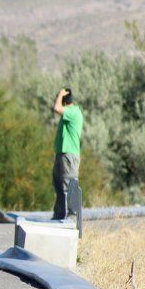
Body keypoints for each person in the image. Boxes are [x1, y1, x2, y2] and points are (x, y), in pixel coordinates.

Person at [51, 88, 83, 220]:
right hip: (62, 154)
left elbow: (57, 108)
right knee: (58, 184)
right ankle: (59, 215)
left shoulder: (73, 111)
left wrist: (59, 94)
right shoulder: (68, 113)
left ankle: (72, 216)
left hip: (69, 155)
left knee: (69, 184)